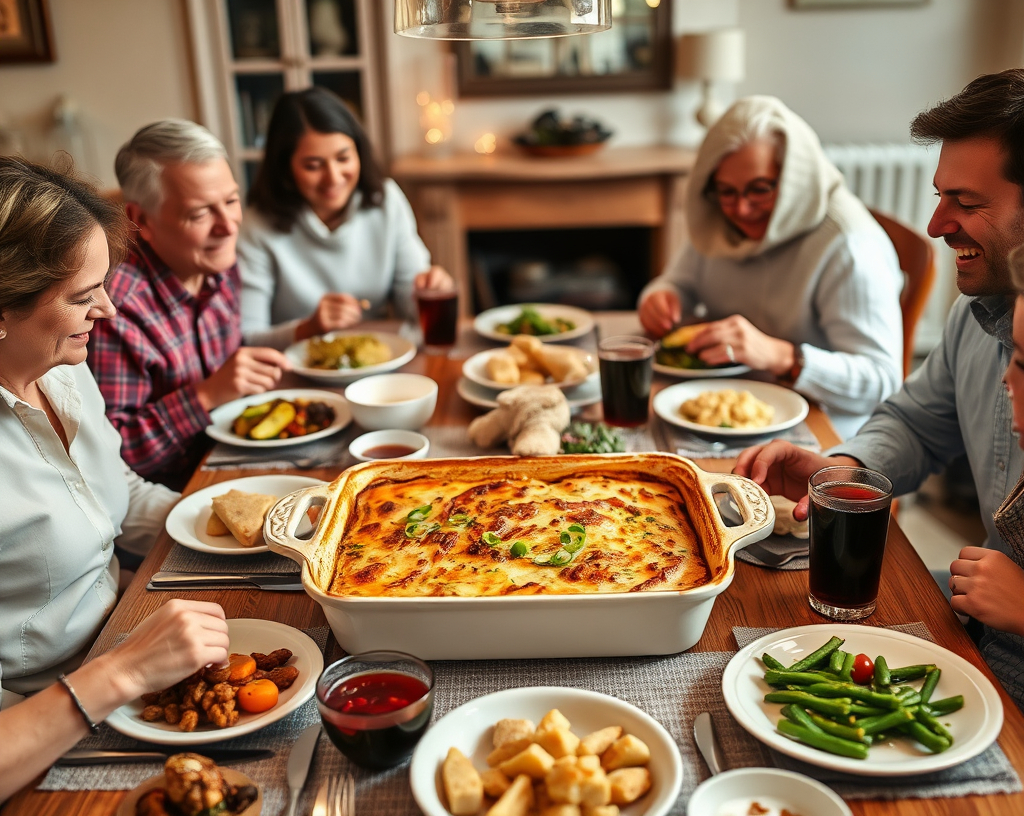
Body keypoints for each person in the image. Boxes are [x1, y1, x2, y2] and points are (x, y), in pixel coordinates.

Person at [735, 69, 1024, 709]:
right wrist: (842, 470)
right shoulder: (974, 318)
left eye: (967, 204)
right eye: (940, 195)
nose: (935, 223)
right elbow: (918, 422)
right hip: (971, 646)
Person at [0, 155, 230, 800]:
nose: (108, 309)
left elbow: (113, 496)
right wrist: (121, 673)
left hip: (124, 640)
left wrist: (245, 516)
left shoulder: (61, 365)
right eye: (82, 296)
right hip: (43, 724)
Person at [637, 96, 903, 438]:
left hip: (824, 429)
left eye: (759, 189)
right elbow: (679, 282)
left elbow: (881, 380)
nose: (742, 210)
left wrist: (784, 357)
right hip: (730, 406)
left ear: (795, 179)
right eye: (727, 191)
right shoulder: (718, 218)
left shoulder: (849, 246)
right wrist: (662, 297)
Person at [87, 120, 292, 489]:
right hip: (174, 498)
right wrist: (207, 394)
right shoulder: (116, 308)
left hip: (237, 461)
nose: (229, 226)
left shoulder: (218, 263)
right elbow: (112, 454)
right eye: (200, 213)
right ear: (140, 220)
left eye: (231, 200)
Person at [237, 87, 453, 348]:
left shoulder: (387, 200)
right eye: (313, 166)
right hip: (295, 373)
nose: (334, 177)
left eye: (343, 158)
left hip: (377, 360)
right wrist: (309, 328)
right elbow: (247, 337)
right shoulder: (256, 225)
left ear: (359, 153)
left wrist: (431, 292)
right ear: (285, 168)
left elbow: (413, 308)